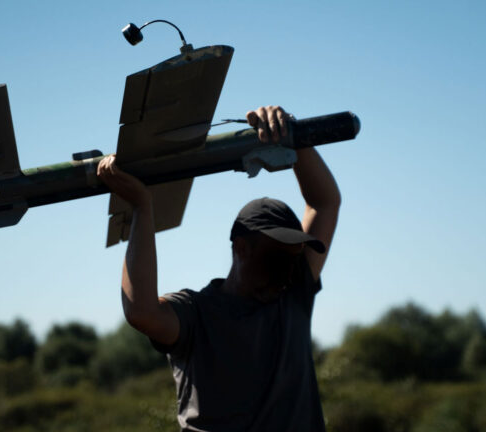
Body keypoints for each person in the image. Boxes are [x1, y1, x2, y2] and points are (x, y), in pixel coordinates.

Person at [97, 105, 341, 431]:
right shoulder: (197, 314)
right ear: (241, 248)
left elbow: (325, 203)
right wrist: (143, 206)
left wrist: (292, 134)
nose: (288, 268)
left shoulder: (294, 290)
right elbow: (143, 313)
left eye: (295, 256)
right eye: (277, 256)